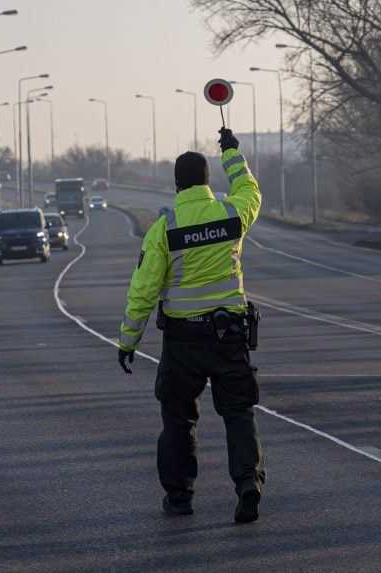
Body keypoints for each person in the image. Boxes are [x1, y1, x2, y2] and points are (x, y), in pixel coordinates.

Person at [117, 128, 265, 524]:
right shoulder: (231, 215)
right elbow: (250, 189)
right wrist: (232, 152)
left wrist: (128, 341)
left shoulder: (164, 230)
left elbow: (144, 290)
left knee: (179, 419)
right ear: (207, 181)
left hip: (183, 343)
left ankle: (180, 496)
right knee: (238, 412)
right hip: (229, 335)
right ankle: (248, 483)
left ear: (176, 184)